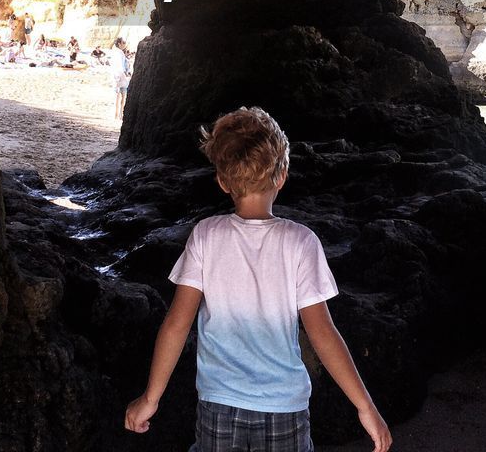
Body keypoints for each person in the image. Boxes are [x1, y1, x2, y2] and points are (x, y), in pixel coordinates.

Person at [124, 107, 391, 452]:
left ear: (222, 181)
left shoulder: (206, 235)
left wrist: (151, 398)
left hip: (219, 404)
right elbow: (322, 333)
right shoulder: (301, 242)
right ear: (282, 175)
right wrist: (365, 406)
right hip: (284, 409)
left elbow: (177, 323)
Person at [110, 36, 132, 120]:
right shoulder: (119, 53)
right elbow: (120, 66)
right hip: (120, 77)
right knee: (122, 96)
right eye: (123, 43)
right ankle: (119, 115)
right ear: (119, 44)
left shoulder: (115, 52)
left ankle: (116, 115)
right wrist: (125, 75)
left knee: (117, 96)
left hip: (117, 76)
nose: (124, 44)